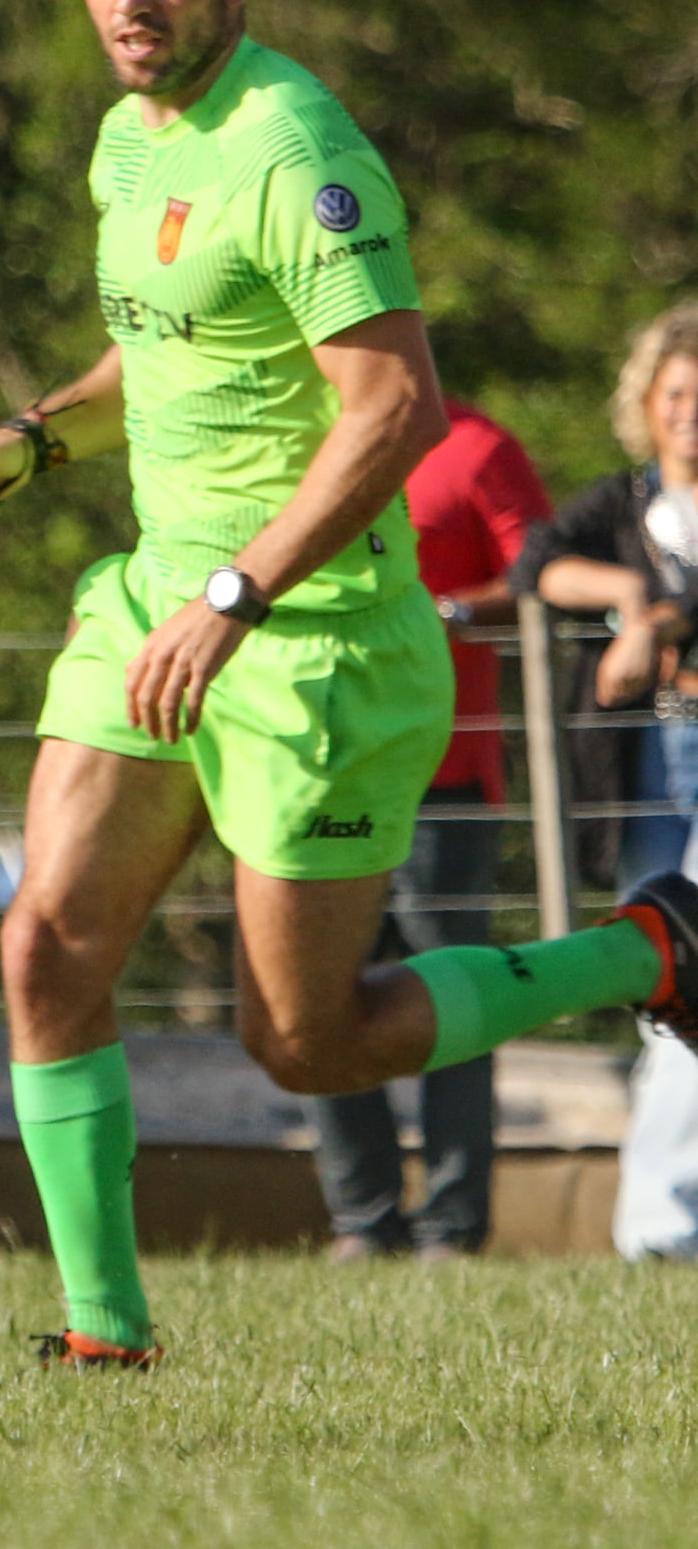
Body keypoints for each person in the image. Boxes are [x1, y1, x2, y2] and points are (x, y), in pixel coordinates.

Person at [0, 0, 698, 1370]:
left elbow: (393, 405)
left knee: (306, 1043)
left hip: (310, 636)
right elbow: (160, 351)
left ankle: (650, 949)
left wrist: (237, 591)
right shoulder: (130, 137)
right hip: (156, 601)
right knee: (45, 944)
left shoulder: (299, 151)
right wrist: (32, 437)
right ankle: (104, 1331)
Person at [308, 399, 550, 1263]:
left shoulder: (479, 445)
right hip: (317, 771)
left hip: (446, 778)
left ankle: (451, 1225)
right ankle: (362, 1219)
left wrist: (440, 615)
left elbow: (539, 572)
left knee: (456, 999)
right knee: (314, 997)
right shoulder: (297, 440)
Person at [511, 301, 698, 1260]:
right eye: (676, 394)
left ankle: (659, 1228)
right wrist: (628, 595)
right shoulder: (619, 505)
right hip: (647, 772)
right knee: (663, 978)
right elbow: (532, 565)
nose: (690, 412)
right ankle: (660, 1232)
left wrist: (662, 625)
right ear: (647, 401)